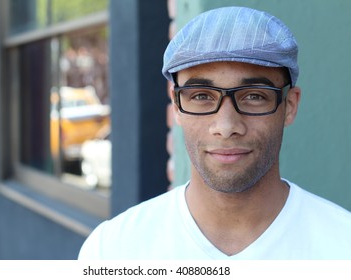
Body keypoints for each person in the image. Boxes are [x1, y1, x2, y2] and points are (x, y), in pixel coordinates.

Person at [78, 6, 351, 259]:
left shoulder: (342, 245)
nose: (226, 126)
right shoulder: (113, 249)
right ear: (176, 106)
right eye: (201, 96)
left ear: (289, 106)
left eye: (254, 96)